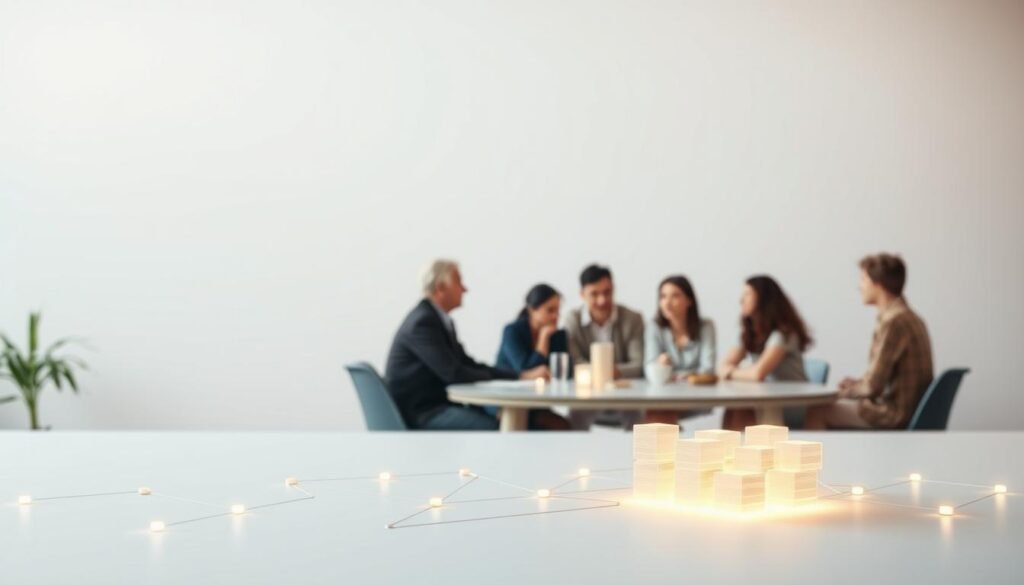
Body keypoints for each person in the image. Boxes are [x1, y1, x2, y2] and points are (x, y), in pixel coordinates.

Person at [385, 259, 548, 430]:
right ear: (441, 288)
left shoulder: (439, 320)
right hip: (422, 413)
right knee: (498, 429)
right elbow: (454, 373)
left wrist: (521, 376)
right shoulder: (423, 323)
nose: (465, 289)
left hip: (438, 406)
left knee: (514, 423)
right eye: (459, 282)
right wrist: (515, 377)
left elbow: (467, 364)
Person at [806, 254, 933, 429]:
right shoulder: (910, 317)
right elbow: (880, 378)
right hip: (911, 409)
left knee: (817, 411)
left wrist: (843, 393)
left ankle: (825, 458)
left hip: (895, 414)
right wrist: (857, 384)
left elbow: (874, 386)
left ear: (878, 283)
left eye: (863, 279)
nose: (860, 286)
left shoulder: (894, 322)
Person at [718, 275, 812, 430]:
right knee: (735, 408)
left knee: (741, 408)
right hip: (764, 399)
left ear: (763, 298)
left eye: (747, 294)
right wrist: (732, 371)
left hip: (790, 403)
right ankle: (736, 453)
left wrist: (731, 372)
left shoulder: (783, 334)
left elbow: (758, 374)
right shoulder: (750, 333)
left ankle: (746, 452)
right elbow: (723, 366)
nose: (741, 300)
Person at [564, 264, 645, 429]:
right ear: (582, 294)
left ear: (613, 289)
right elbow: (576, 362)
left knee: (640, 419)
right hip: (588, 393)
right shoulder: (573, 320)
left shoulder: (632, 319)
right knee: (575, 416)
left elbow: (638, 364)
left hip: (625, 394)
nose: (602, 300)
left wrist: (604, 372)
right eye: (594, 294)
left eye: (607, 292)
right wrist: (606, 373)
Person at [495, 284, 572, 430]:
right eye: (550, 310)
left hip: (537, 402)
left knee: (563, 425)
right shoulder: (512, 331)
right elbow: (525, 369)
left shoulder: (558, 335)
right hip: (508, 400)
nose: (556, 316)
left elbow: (566, 372)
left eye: (558, 310)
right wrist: (543, 339)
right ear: (532, 310)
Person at [644, 275, 716, 424]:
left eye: (675, 296)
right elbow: (650, 367)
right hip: (664, 397)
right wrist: (688, 376)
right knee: (658, 414)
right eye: (663, 297)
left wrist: (671, 374)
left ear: (689, 300)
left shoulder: (705, 327)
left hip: (698, 396)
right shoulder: (654, 327)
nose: (667, 303)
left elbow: (707, 370)